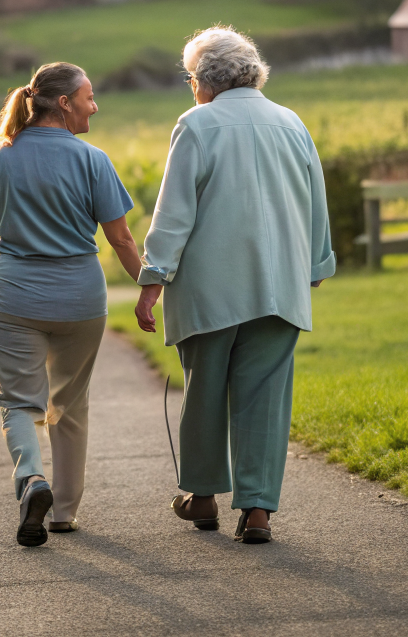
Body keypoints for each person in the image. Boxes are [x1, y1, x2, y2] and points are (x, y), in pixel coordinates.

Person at [135, 27, 334, 544]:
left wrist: (153, 276)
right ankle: (258, 509)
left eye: (189, 78)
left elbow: (174, 211)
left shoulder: (198, 123)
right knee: (266, 396)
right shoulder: (291, 122)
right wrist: (316, 263)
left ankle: (201, 496)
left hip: (210, 285)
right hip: (280, 285)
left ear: (203, 80)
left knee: (204, 389)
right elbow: (316, 201)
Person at [0, 61, 144, 547]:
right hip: (81, 301)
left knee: (20, 403)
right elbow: (123, 240)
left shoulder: (0, 156)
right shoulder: (93, 159)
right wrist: (151, 286)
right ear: (64, 103)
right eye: (89, 96)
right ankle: (63, 512)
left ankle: (31, 479)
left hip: (15, 299)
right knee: (70, 405)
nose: (94, 105)